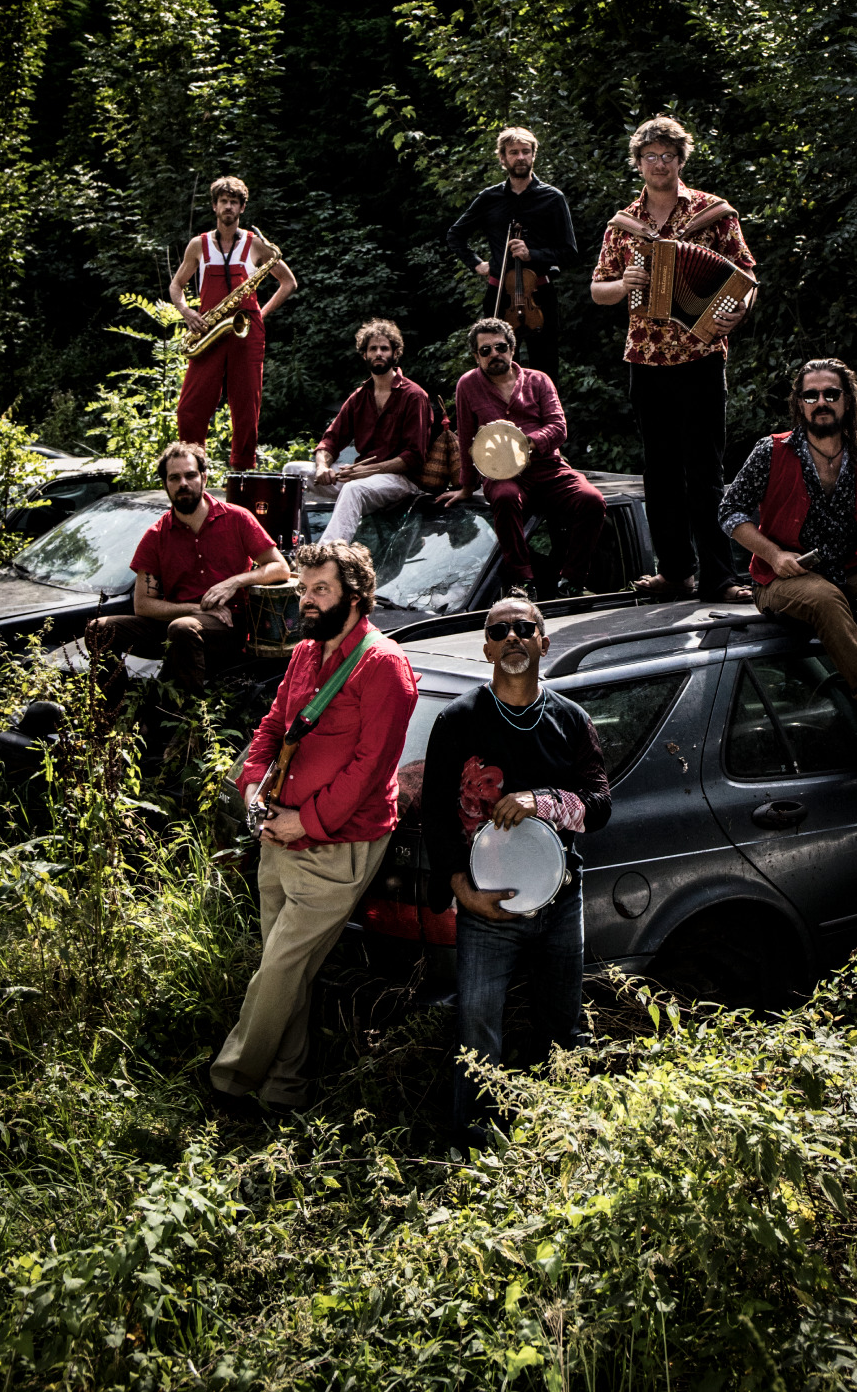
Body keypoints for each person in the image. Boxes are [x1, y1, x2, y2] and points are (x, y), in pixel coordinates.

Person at [207, 540, 419, 1120]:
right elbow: (273, 726)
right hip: (276, 833)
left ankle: (230, 1082)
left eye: (318, 589)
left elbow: (372, 766)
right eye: (302, 589)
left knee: (279, 966)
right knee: (285, 969)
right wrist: (254, 794)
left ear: (356, 596)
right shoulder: (305, 654)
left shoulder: (383, 666)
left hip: (336, 845)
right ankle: (285, 1091)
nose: (305, 600)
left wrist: (306, 820)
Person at [420, 593, 611, 1149]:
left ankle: (564, 1139)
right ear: (486, 647)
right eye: (499, 630)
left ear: (543, 643)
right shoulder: (458, 721)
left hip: (561, 901)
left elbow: (600, 807)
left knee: (563, 1026)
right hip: (485, 906)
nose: (512, 638)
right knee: (477, 1029)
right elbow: (435, 816)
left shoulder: (572, 720)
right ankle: (469, 1147)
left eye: (524, 629)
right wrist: (462, 892)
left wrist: (542, 801)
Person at [718, 358, 857, 740]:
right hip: (780, 578)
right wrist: (774, 555)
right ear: (799, 404)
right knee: (825, 597)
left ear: (847, 401)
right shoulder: (771, 452)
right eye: (811, 395)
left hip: (851, 567)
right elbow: (729, 510)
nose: (821, 402)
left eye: (831, 394)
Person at [591, 114, 756, 604]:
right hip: (645, 358)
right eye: (650, 156)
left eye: (667, 155)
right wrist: (625, 286)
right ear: (638, 163)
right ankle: (676, 571)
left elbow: (746, 276)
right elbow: (598, 289)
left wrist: (736, 312)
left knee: (704, 471)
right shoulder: (623, 224)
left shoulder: (714, 213)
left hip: (700, 353)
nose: (659, 163)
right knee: (659, 472)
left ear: (681, 160)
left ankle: (720, 576)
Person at [85, 439, 290, 735]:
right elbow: (143, 605)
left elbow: (280, 567)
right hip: (177, 623)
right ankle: (115, 718)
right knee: (98, 629)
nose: (184, 483)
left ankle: (187, 728)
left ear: (203, 478)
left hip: (228, 626)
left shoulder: (237, 518)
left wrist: (236, 581)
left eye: (190, 475)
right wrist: (196, 607)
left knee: (182, 628)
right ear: (166, 485)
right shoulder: (156, 535)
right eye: (174, 478)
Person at [438, 317, 605, 600]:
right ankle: (523, 580)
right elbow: (466, 438)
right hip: (502, 473)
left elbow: (559, 428)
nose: (494, 354)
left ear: (512, 349)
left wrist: (528, 442)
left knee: (592, 500)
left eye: (500, 347)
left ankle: (573, 578)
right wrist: (466, 486)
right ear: (476, 356)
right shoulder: (468, 384)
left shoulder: (539, 380)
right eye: (485, 350)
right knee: (503, 498)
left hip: (547, 467)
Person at [171, 175, 297, 472]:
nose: (228, 206)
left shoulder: (255, 244)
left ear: (242, 208)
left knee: (246, 410)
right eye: (223, 201)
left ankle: (242, 474)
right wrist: (186, 312)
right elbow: (176, 286)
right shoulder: (198, 245)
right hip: (208, 332)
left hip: (247, 331)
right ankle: (192, 471)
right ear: (215, 206)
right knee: (189, 410)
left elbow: (288, 282)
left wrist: (260, 315)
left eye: (234, 202)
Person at [446, 127, 577, 385]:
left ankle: (547, 422)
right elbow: (455, 235)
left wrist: (533, 255)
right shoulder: (489, 198)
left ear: (533, 156)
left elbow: (569, 253)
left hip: (539, 295)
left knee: (546, 367)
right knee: (494, 364)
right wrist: (477, 264)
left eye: (525, 152)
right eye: (513, 152)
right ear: (503, 158)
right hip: (499, 295)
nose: (520, 157)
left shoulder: (552, 198)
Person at [313, 320, 432, 544]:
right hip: (364, 478)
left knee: (354, 489)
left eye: (384, 348)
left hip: (402, 481)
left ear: (395, 353)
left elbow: (414, 457)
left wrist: (368, 471)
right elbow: (330, 440)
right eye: (373, 349)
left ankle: (327, 556)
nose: (378, 353)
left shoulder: (414, 396)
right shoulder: (359, 396)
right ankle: (286, 546)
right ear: (364, 355)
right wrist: (322, 467)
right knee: (295, 472)